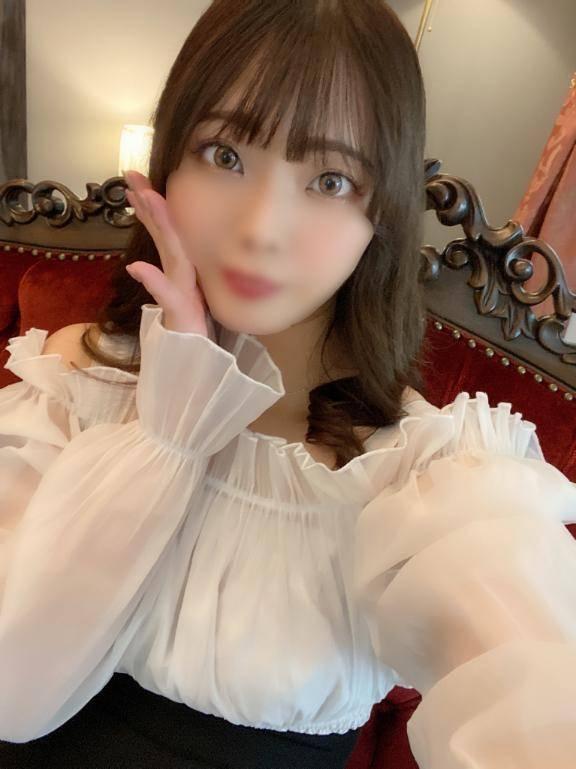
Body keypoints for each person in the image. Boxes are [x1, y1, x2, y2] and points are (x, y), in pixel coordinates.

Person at [1, 1, 576, 767]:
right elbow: (13, 695)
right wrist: (167, 435)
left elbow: (541, 697)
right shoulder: (78, 376)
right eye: (224, 154)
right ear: (169, 160)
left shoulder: (425, 476)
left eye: (330, 179)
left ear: (383, 212)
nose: (260, 227)